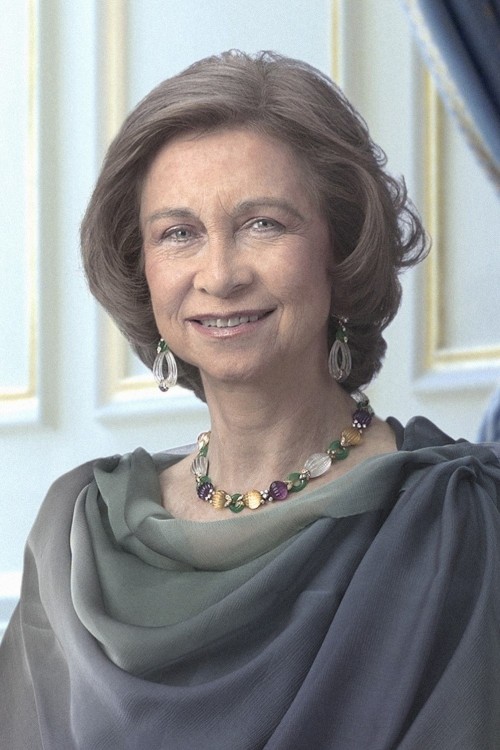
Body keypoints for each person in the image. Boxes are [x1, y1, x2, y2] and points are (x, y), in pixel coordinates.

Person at [1, 50, 499, 750]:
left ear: (340, 247)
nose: (220, 274)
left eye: (263, 223)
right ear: (142, 269)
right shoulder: (77, 537)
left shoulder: (460, 521)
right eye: (179, 234)